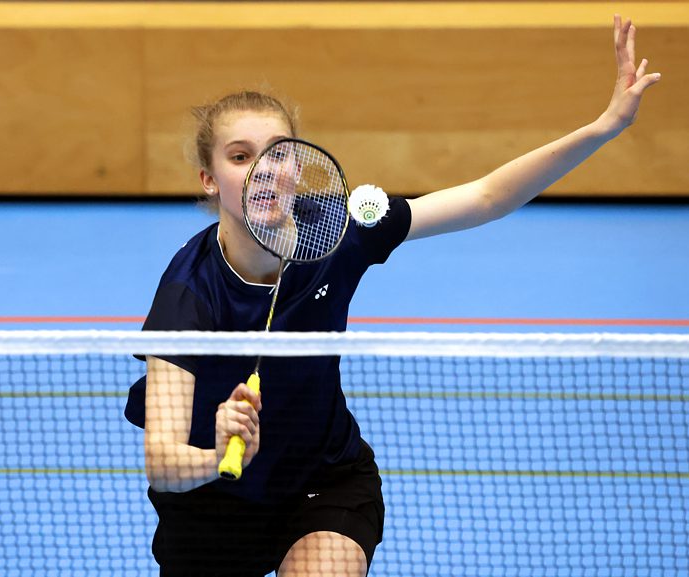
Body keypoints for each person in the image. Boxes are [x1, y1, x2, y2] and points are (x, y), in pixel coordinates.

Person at [125, 15, 659, 577]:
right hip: (213, 505)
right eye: (240, 157)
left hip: (321, 484)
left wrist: (603, 128)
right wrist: (216, 456)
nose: (264, 171)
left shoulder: (338, 231)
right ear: (209, 179)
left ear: (298, 167)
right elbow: (162, 463)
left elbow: (485, 197)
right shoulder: (188, 295)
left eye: (279, 153)